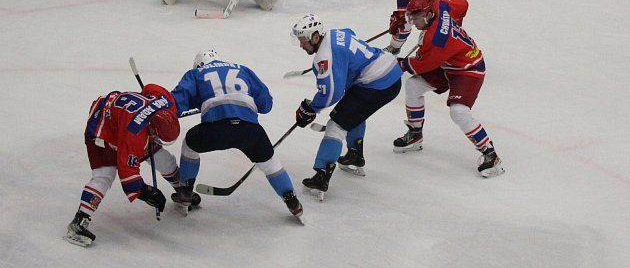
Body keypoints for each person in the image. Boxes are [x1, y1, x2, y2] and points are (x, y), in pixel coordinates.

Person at [170, 49, 303, 221]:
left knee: (190, 145)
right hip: (249, 131)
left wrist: (168, 110)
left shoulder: (196, 73)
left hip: (215, 130)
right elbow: (265, 104)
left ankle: (186, 192)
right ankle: (292, 200)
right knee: (270, 163)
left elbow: (177, 102)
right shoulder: (243, 69)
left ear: (199, 65)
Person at [291, 14, 403, 200]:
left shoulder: (324, 57)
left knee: (337, 124)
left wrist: (311, 109)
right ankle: (354, 154)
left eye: (303, 40)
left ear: (316, 37)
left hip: (379, 83)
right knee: (354, 111)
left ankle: (322, 175)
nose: (301, 45)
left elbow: (331, 93)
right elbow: (351, 34)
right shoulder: (337, 33)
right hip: (388, 71)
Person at [394, 0, 505, 178]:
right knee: (413, 87)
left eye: (415, 18)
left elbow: (419, 65)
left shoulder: (436, 39)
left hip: (469, 69)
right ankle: (415, 133)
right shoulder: (441, 5)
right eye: (411, 17)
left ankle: (490, 154)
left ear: (428, 14)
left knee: (458, 112)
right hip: (449, 63)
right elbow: (463, 4)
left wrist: (395, 63)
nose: (413, 22)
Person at [63, 84, 183, 247]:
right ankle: (79, 222)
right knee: (105, 174)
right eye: (158, 137)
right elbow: (127, 173)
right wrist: (146, 192)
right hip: (102, 127)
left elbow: (150, 87)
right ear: (152, 128)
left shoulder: (166, 102)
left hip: (122, 117)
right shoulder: (134, 134)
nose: (158, 141)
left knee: (162, 157)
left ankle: (182, 191)